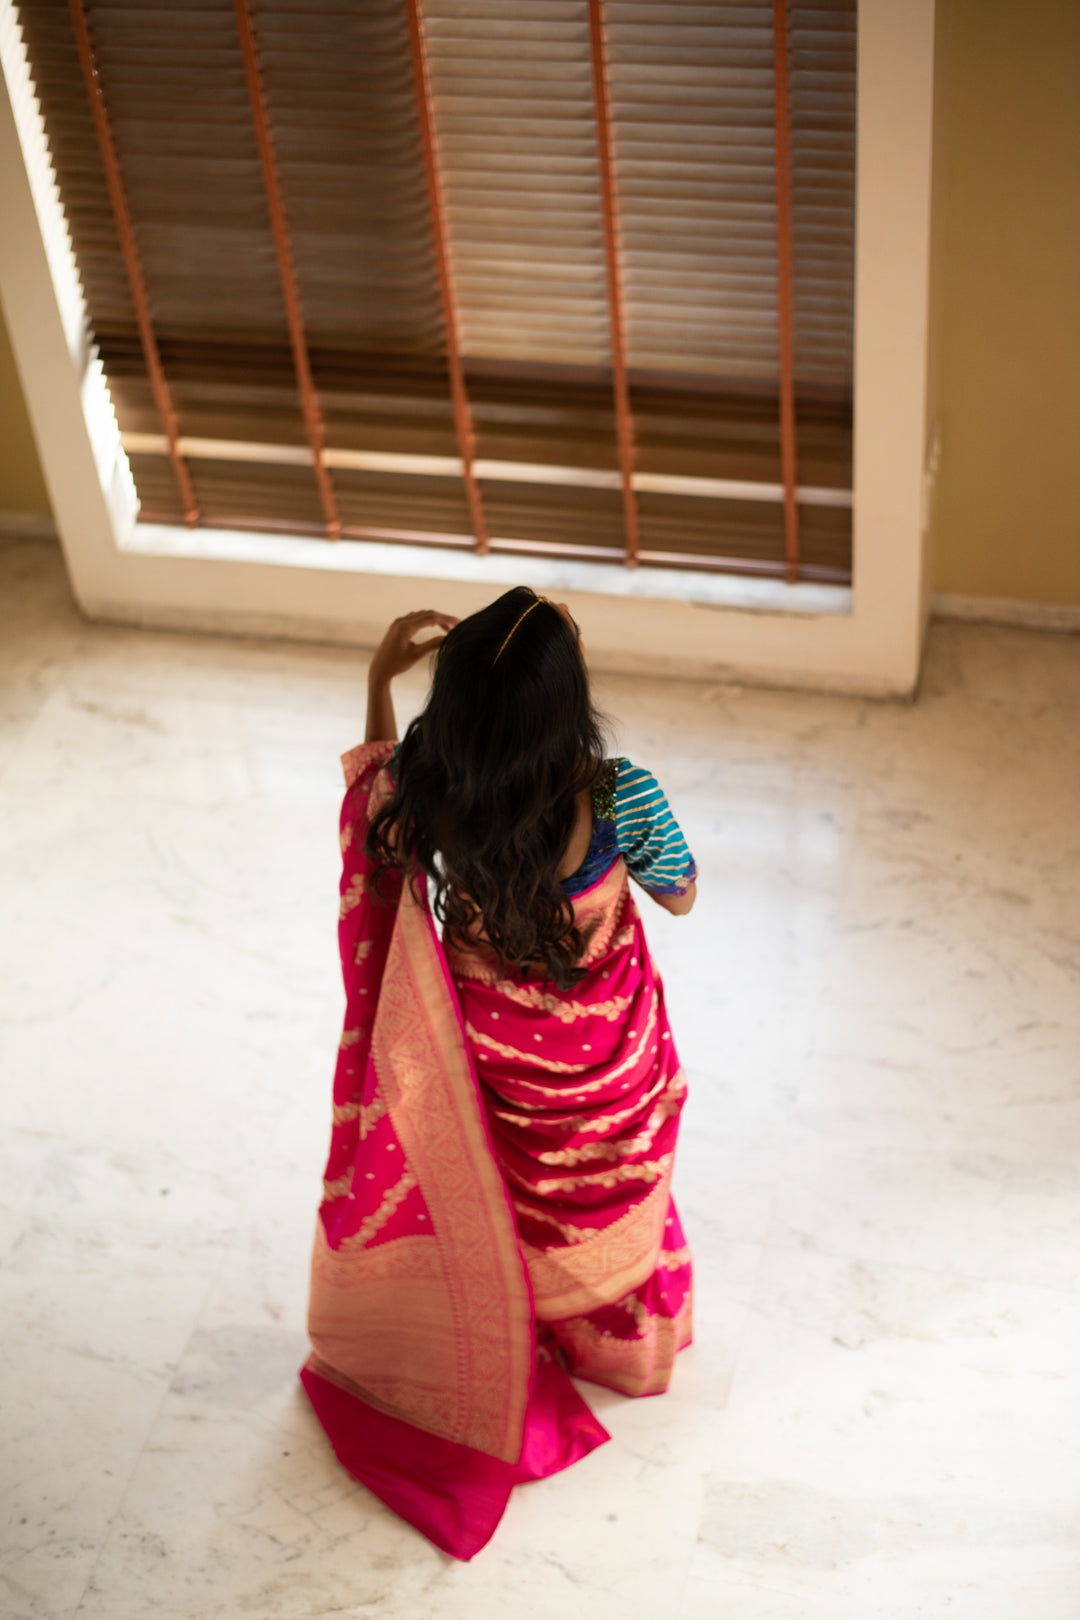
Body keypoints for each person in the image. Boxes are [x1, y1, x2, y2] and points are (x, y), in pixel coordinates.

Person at [300, 587, 697, 1560]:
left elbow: (374, 796)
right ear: (569, 708)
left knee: (527, 1189)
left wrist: (376, 681)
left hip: (502, 1059)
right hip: (610, 1060)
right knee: (610, 1187)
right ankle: (620, 1342)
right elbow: (680, 895)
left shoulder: (436, 794)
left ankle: (532, 1322)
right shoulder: (619, 794)